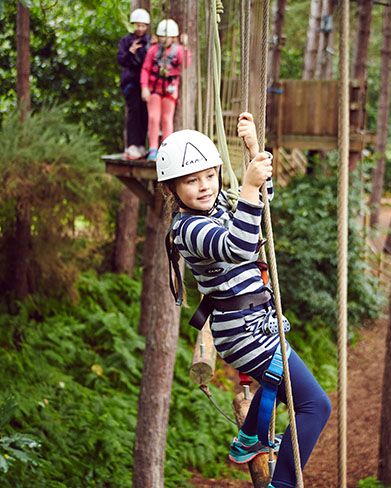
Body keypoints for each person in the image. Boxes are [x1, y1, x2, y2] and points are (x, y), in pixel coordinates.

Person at [156, 113, 332, 488]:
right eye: (190, 180)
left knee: (302, 398)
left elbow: (258, 207)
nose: (204, 186)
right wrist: (249, 186)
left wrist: (255, 154)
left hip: (256, 326)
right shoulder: (188, 229)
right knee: (315, 406)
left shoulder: (214, 206)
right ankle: (282, 484)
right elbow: (237, 246)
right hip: (244, 335)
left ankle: (250, 438)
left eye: (208, 175)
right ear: (172, 188)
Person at [140, 18, 188, 161]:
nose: (165, 39)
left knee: (167, 119)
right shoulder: (153, 51)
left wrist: (185, 47)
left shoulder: (179, 51)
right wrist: (144, 88)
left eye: (168, 36)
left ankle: (167, 149)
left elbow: (185, 64)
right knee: (154, 118)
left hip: (169, 90)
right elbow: (145, 69)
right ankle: (153, 148)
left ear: (173, 37)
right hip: (154, 89)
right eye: (162, 36)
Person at [117, 8, 151, 160]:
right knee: (133, 113)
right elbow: (121, 60)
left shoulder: (149, 42)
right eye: (137, 25)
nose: (140, 29)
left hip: (145, 84)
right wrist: (130, 51)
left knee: (145, 114)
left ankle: (141, 145)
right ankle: (131, 145)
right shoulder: (125, 41)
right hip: (131, 82)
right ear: (133, 25)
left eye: (143, 26)